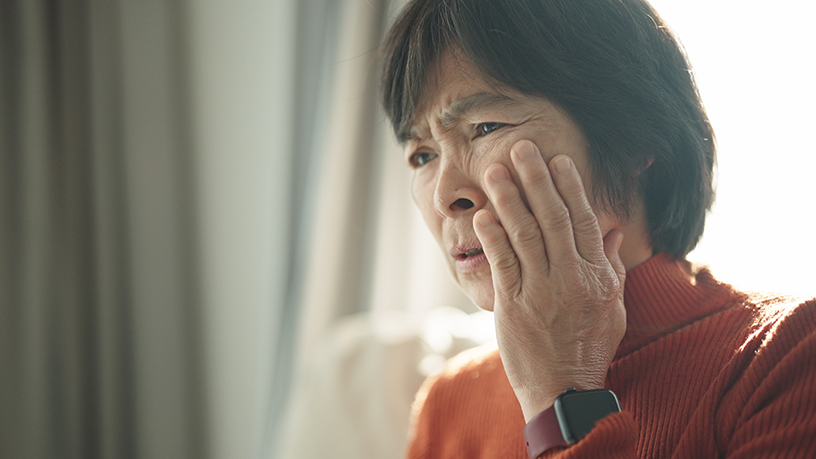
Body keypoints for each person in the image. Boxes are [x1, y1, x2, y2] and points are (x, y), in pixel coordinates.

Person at [378, 0, 816, 457]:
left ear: (635, 139)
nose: (444, 196)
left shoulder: (786, 355)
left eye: (486, 127)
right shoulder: (448, 403)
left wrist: (561, 394)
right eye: (423, 155)